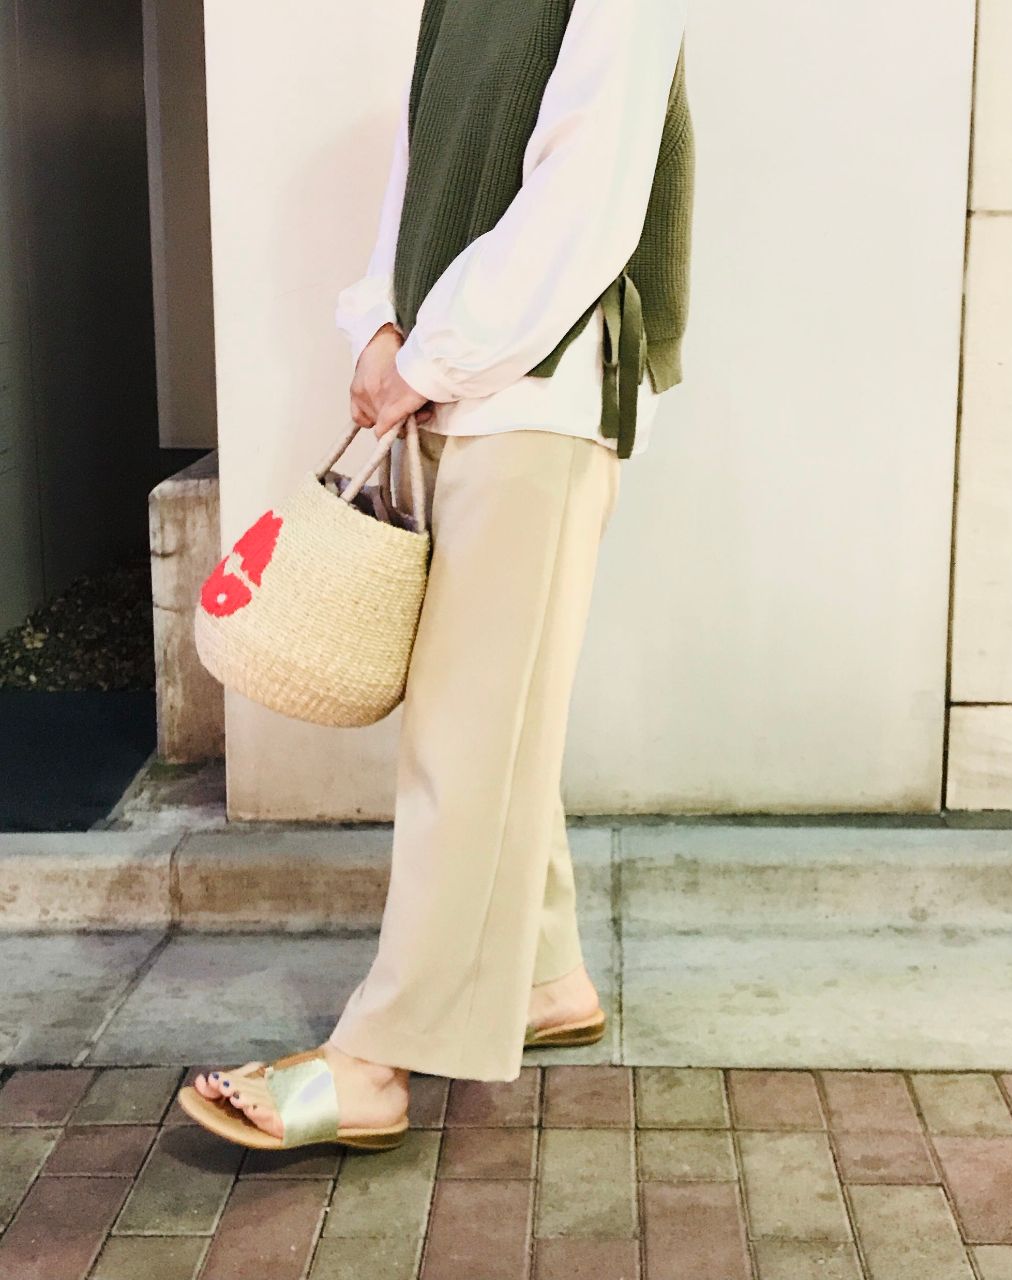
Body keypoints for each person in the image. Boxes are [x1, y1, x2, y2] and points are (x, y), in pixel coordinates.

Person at [178, 0, 694, 1150]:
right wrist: (379, 326)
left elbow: (584, 199)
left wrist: (431, 352)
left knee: (465, 741)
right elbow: (419, 175)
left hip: (542, 394)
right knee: (480, 724)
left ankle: (372, 1063)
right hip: (462, 385)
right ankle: (544, 976)